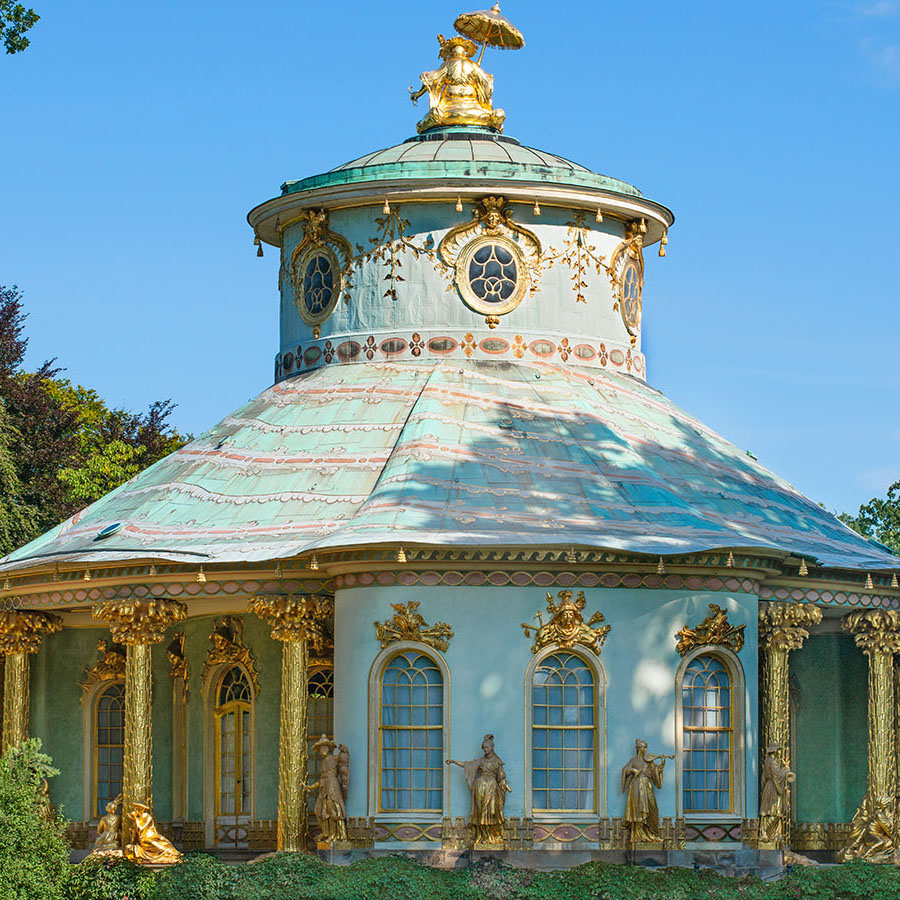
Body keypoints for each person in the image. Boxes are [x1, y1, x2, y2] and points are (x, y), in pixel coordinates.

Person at [410, 35, 505, 133]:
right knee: (490, 116)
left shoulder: (448, 64)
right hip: (473, 110)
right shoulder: (473, 65)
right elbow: (487, 80)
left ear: (451, 52)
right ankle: (495, 119)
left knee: (435, 116)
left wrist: (418, 93)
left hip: (449, 110)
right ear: (465, 52)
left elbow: (431, 79)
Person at [448, 733, 511, 844]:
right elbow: (467, 765)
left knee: (492, 811)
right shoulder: (481, 761)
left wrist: (505, 785)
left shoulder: (497, 761)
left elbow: (501, 777)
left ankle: (492, 837)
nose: (485, 750)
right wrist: (453, 761)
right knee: (480, 811)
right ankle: (481, 836)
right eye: (484, 748)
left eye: (487, 748)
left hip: (491, 788)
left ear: (492, 747)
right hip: (480, 787)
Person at [621, 739, 666, 844]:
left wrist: (662, 765)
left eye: (646, 747)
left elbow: (655, 772)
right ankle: (638, 835)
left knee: (652, 808)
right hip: (636, 786)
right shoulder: (633, 760)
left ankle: (651, 834)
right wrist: (632, 770)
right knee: (638, 809)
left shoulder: (649, 761)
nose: (645, 749)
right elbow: (625, 770)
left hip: (647, 786)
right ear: (638, 748)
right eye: (643, 747)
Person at [307, 735, 349, 844]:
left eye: (324, 748)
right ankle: (327, 833)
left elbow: (344, 766)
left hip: (332, 787)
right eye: (321, 749)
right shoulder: (324, 761)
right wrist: (310, 787)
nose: (322, 750)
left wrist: (344, 751)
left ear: (329, 748)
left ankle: (336, 835)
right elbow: (322, 778)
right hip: (324, 787)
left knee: (334, 811)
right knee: (320, 811)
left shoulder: (334, 759)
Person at [124, 801, 182, 866]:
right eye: (135, 808)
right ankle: (166, 853)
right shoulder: (137, 818)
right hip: (144, 839)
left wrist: (135, 819)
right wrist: (135, 820)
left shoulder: (147, 817)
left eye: (138, 808)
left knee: (164, 841)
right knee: (149, 843)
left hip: (151, 835)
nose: (136, 810)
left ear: (142, 809)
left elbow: (142, 827)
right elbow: (136, 832)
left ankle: (172, 853)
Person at [759, 742, 795, 844]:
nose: (779, 752)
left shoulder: (767, 761)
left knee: (770, 812)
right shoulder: (773, 762)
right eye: (778, 750)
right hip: (773, 788)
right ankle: (766, 832)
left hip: (768, 787)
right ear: (774, 751)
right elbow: (778, 776)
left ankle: (769, 833)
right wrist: (787, 769)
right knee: (774, 811)